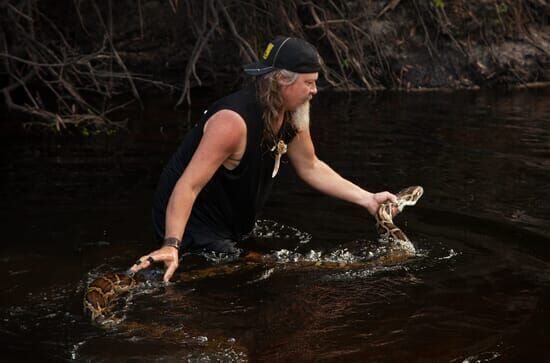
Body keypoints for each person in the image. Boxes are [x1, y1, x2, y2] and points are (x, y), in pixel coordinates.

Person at [130, 36, 397, 282]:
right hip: (192, 224)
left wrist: (368, 199)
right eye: (309, 82)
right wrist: (171, 244)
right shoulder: (232, 122)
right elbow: (189, 185)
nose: (315, 90)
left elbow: (311, 166)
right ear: (282, 79)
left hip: (230, 223)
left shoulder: (292, 113)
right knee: (260, 271)